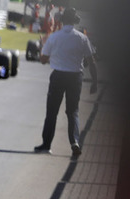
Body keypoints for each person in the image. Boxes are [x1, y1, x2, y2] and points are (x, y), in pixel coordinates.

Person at [34, 7, 97, 158]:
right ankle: (74, 141)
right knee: (72, 111)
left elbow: (43, 60)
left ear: (62, 21)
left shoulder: (55, 37)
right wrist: (95, 81)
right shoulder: (82, 38)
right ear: (75, 22)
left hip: (58, 76)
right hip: (75, 77)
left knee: (52, 111)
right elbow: (91, 61)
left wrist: (44, 50)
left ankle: (46, 144)